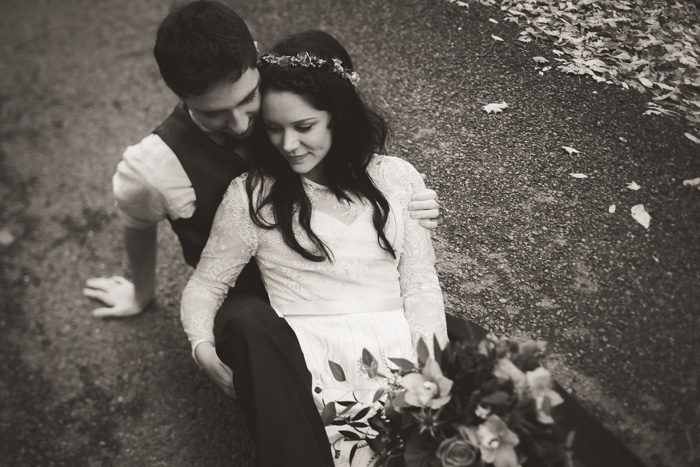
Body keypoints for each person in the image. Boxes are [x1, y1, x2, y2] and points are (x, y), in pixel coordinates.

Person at [82, 2, 439, 466]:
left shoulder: (282, 85)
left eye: (247, 102)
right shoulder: (151, 166)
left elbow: (345, 141)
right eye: (213, 114)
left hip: (339, 285)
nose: (241, 125)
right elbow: (137, 223)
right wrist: (140, 291)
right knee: (252, 326)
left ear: (255, 58)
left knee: (455, 349)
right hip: (250, 301)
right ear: (177, 94)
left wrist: (414, 205)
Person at [180, 30, 449, 466]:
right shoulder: (253, 195)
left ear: (337, 117)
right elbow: (206, 284)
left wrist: (431, 366)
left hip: (396, 345)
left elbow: (419, 284)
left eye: (304, 127)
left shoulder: (397, 178)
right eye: (273, 128)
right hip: (305, 357)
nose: (288, 144)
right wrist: (200, 345)